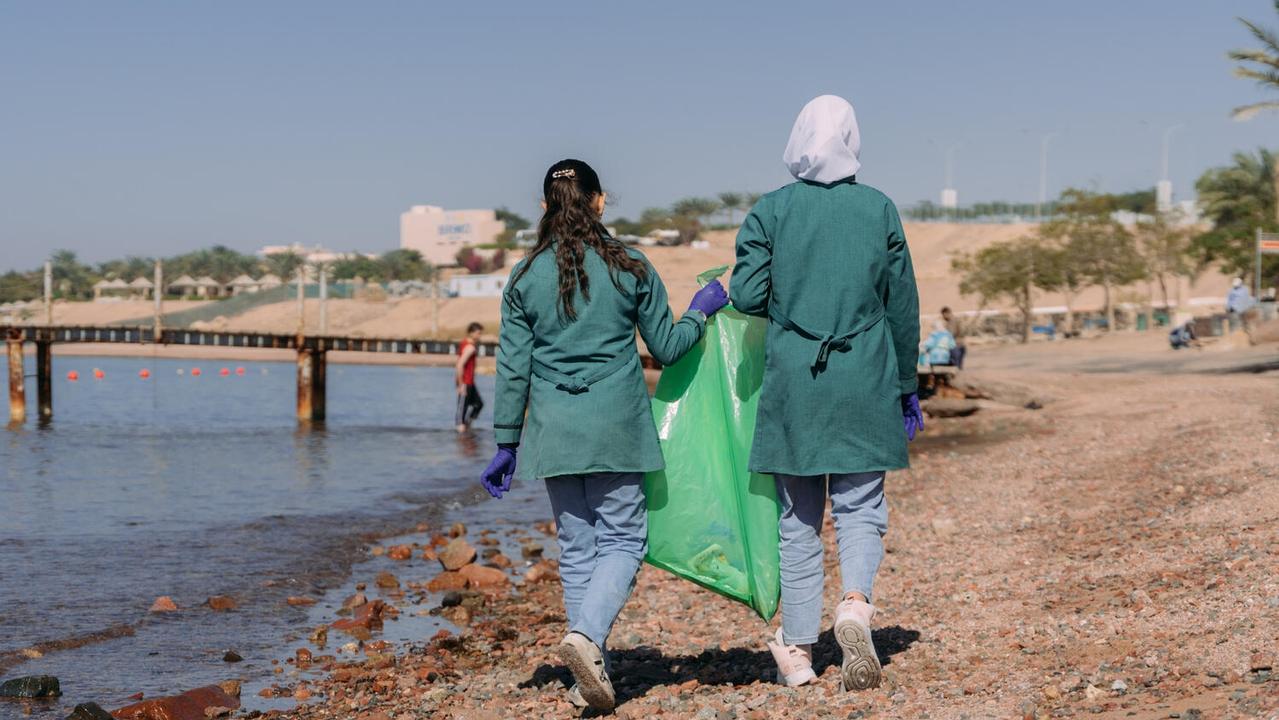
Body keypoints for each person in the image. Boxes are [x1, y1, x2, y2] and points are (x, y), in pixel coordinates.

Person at [478, 159, 729, 711]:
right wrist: (699, 313)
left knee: (577, 548)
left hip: (553, 429)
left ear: (544, 207)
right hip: (615, 423)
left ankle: (588, 669)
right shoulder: (631, 265)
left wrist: (505, 443)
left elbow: (513, 366)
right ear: (599, 202)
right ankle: (588, 640)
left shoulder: (523, 277)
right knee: (623, 541)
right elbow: (666, 346)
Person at [731, 95, 922, 693]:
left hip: (796, 381)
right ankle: (856, 607)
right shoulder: (878, 208)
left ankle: (799, 652)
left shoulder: (771, 211)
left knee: (798, 521)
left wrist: (790, 301)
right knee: (862, 507)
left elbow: (745, 293)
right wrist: (907, 386)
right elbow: (902, 304)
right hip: (865, 374)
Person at [455, 322, 485, 432]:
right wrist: (461, 384)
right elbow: (459, 365)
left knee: (479, 404)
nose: (479, 336)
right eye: (478, 333)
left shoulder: (465, 344)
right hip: (466, 383)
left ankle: (468, 426)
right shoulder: (470, 348)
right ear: (471, 333)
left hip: (470, 383)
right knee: (461, 412)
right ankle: (461, 432)